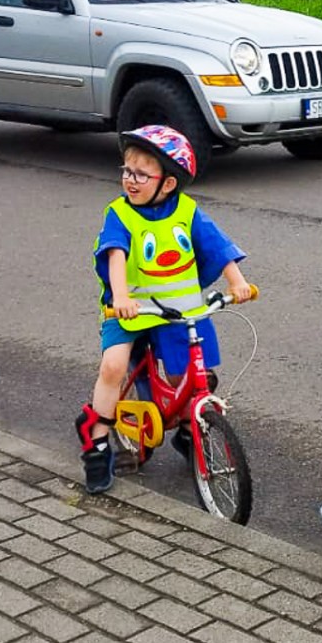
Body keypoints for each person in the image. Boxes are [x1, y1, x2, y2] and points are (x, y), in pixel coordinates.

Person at [77, 125, 251, 494]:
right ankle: (97, 443)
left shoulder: (187, 211)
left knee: (188, 376)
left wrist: (236, 280)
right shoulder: (120, 214)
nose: (130, 180)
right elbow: (115, 255)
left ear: (168, 184)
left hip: (178, 310)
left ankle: (190, 431)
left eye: (141, 174)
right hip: (129, 311)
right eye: (127, 171)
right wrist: (121, 297)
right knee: (113, 367)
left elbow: (216, 246)